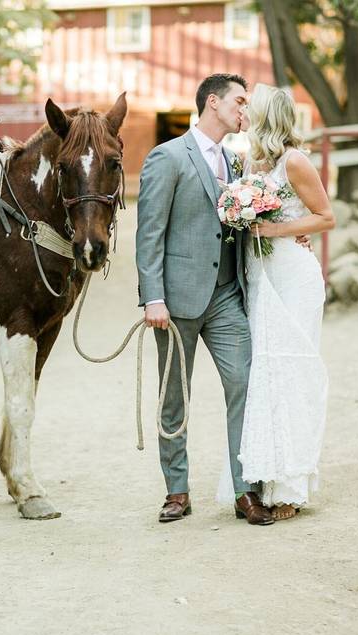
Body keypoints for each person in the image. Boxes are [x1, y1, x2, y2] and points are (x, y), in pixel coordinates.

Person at [135, 73, 274, 526]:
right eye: (239, 101)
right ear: (212, 103)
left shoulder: (237, 164)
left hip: (226, 296)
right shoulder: (167, 156)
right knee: (174, 397)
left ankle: (244, 491)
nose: (244, 110)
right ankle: (177, 490)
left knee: (245, 385)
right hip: (175, 302)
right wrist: (152, 296)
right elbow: (149, 233)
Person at [215, 83, 335, 520]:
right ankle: (262, 478)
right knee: (263, 373)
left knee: (290, 372)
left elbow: (326, 217)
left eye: (251, 107)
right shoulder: (250, 160)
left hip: (292, 276)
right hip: (258, 276)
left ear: (268, 117)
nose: (243, 111)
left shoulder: (294, 161)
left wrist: (277, 230)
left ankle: (290, 487)